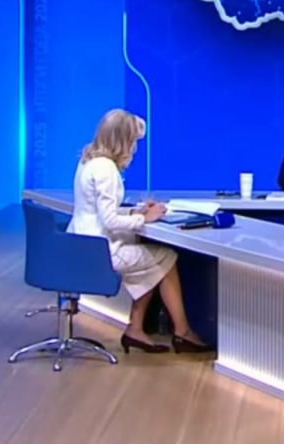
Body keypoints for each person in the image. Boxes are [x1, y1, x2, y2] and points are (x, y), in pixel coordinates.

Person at [69, 109, 211, 355]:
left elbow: (98, 210)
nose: (134, 147)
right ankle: (182, 332)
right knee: (166, 257)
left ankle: (137, 329)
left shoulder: (88, 161)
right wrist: (144, 219)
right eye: (133, 140)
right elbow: (109, 220)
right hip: (101, 251)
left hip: (81, 244)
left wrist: (137, 211)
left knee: (153, 262)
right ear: (123, 140)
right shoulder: (106, 170)